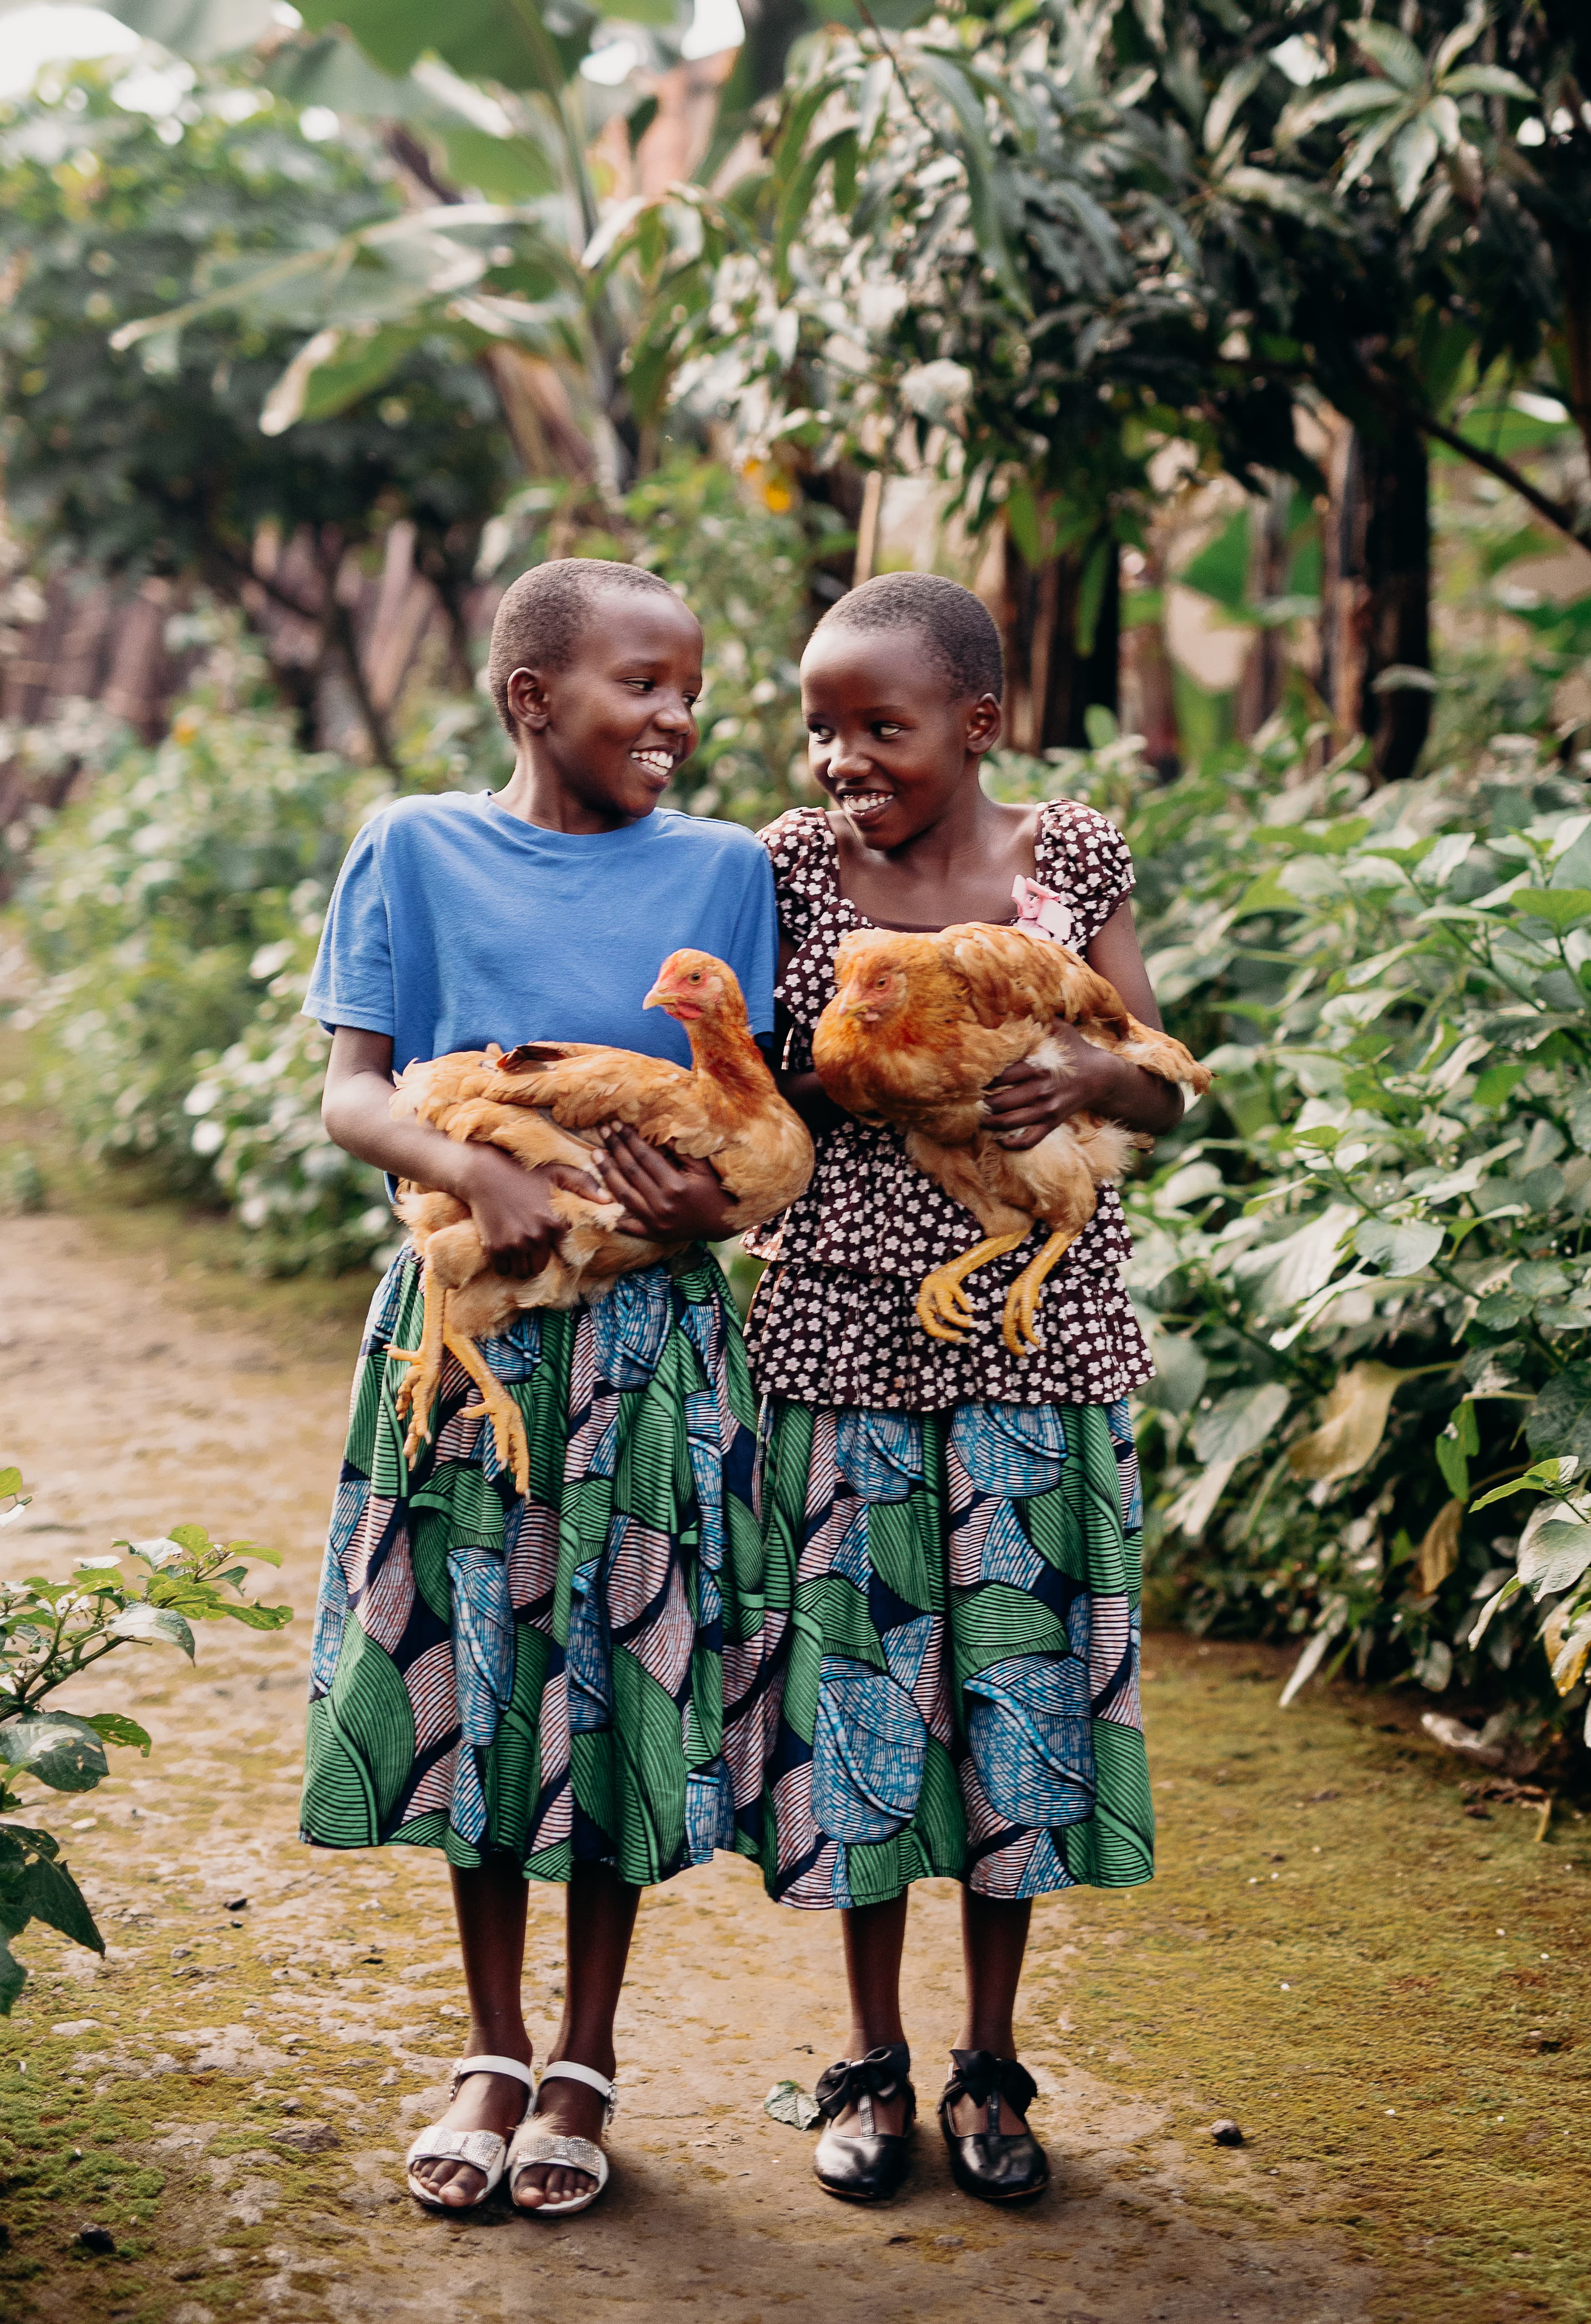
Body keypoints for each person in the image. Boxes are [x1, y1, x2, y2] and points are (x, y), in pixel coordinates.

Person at [301, 557, 775, 2221]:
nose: (678, 719)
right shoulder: (414, 848)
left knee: (610, 1680)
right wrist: (469, 1170)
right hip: (465, 1340)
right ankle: (491, 2049)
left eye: (689, 689)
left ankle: (586, 2053)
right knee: (478, 1678)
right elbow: (355, 1095)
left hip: (646, 1346)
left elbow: (748, 1121)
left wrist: (708, 1214)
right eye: (642, 686)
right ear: (531, 698)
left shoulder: (724, 874)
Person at [730, 571, 1181, 2208]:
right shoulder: (783, 867)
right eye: (822, 728)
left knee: (1019, 1696)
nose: (844, 757)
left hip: (1035, 1338)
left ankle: (991, 2061)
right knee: (862, 1699)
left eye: (883, 726)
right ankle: (868, 2058)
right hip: (842, 1326)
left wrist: (1091, 1068)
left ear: (978, 723)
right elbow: (755, 1082)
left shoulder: (1071, 857)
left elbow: (1164, 1078)